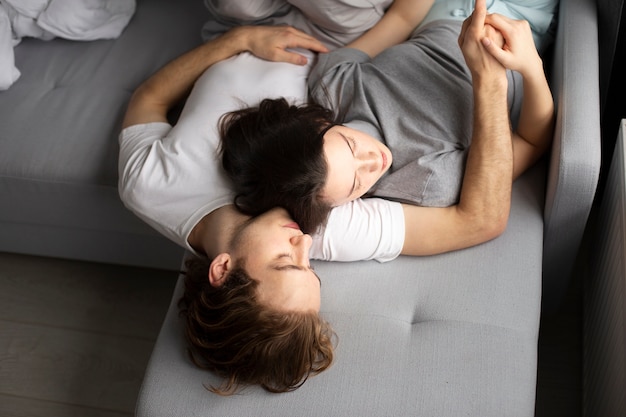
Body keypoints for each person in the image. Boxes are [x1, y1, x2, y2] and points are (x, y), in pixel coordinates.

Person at [119, 1, 434, 394]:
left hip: (235, 24)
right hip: (330, 30)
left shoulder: (148, 190)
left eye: (286, 261)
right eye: (311, 267)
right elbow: (476, 222)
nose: (305, 243)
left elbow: (147, 100)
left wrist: (239, 39)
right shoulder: (320, 222)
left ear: (221, 269)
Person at [220, 0, 555, 256]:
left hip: (441, 12)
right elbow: (531, 140)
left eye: (351, 146)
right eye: (356, 185)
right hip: (518, 31)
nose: (374, 162)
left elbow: (400, 20)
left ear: (321, 123)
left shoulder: (332, 84)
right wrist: (528, 67)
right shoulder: (428, 180)